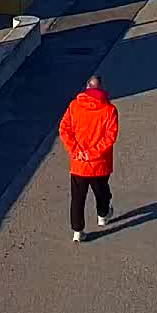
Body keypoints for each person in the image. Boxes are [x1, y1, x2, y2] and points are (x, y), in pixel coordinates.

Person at [58, 75, 118, 243]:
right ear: (101, 88)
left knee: (77, 198)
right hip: (99, 163)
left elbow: (64, 130)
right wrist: (92, 153)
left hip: (79, 164)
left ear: (87, 87)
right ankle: (103, 215)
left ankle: (78, 231)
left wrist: (76, 151)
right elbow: (110, 137)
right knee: (102, 192)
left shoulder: (74, 106)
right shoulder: (109, 110)